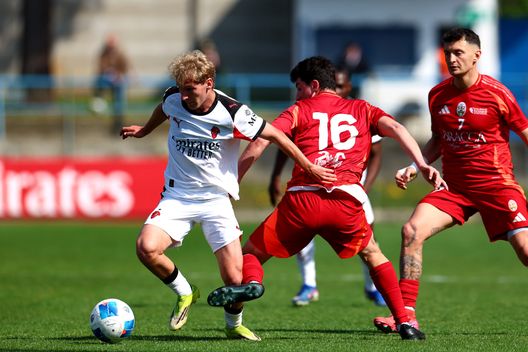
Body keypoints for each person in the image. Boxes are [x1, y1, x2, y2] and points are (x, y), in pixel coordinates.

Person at [207, 55, 448, 340]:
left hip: (301, 202)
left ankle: (254, 283)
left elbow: (261, 140)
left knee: (250, 255)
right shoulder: (362, 108)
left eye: (299, 87)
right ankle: (405, 322)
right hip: (344, 203)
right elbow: (396, 129)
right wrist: (421, 164)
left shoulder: (299, 110)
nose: (297, 94)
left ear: (314, 85)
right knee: (373, 254)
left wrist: (232, 183)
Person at [119, 50, 336, 341]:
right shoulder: (174, 97)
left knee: (235, 279)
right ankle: (186, 292)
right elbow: (164, 108)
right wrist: (144, 131)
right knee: (146, 248)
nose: (184, 96)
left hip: (215, 200)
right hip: (178, 195)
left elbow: (275, 135)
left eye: (190, 90)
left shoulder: (232, 112)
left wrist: (308, 166)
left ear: (208, 83)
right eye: (182, 89)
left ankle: (234, 325)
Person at [373, 27, 528, 333]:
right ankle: (405, 316)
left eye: (458, 53)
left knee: (525, 251)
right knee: (412, 230)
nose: (452, 59)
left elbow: (525, 134)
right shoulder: (437, 95)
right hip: (455, 188)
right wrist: (415, 166)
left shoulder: (498, 95)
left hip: (496, 185)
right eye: (447, 53)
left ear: (476, 55)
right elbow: (437, 141)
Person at [268, 68, 386, 307]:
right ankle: (309, 285)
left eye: (342, 87)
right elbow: (286, 142)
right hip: (310, 186)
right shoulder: (307, 109)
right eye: (336, 86)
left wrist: (366, 186)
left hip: (350, 189)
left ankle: (372, 287)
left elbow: (376, 154)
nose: (338, 91)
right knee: (302, 233)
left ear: (348, 88)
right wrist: (276, 176)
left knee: (368, 241)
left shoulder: (358, 113)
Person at [92, 34, 129, 134]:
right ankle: (99, 101)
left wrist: (118, 74)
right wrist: (108, 71)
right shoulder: (103, 54)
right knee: (100, 81)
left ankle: (118, 118)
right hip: (106, 78)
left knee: (119, 96)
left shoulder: (120, 54)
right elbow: (101, 67)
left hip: (117, 80)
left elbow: (124, 67)